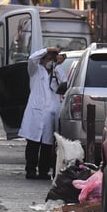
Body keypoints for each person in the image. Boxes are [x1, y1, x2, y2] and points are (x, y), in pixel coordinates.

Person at [18, 47, 62, 180]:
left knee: (47, 145)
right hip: (36, 113)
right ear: (43, 59)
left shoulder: (56, 71)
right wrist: (47, 50)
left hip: (50, 113)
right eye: (48, 58)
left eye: (52, 59)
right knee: (32, 143)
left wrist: (57, 67)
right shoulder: (35, 70)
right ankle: (30, 170)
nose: (50, 61)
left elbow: (64, 83)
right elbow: (32, 58)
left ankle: (43, 172)